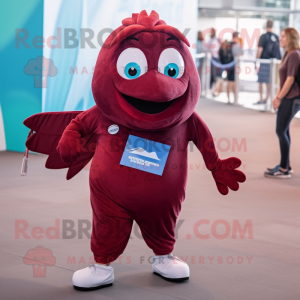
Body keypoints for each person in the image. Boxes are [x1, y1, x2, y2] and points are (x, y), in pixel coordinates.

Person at [264, 27, 300, 179]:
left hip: (292, 98)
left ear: (291, 38)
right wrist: (277, 97)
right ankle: (286, 165)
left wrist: (279, 98)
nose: (280, 39)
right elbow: (283, 79)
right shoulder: (288, 54)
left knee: (280, 130)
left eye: (283, 36)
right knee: (283, 131)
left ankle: (284, 168)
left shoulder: (294, 54)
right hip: (286, 97)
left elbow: (291, 80)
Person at [255, 20, 281, 105]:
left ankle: (261, 99)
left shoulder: (263, 36)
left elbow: (259, 49)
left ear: (266, 26)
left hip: (264, 62)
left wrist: (256, 61)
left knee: (261, 81)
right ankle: (267, 99)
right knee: (269, 82)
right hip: (275, 63)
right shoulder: (276, 37)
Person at [219, 32, 243, 103]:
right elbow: (240, 54)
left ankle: (229, 98)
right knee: (234, 82)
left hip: (227, 65)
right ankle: (235, 99)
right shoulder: (237, 45)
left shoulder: (227, 44)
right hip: (234, 65)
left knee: (229, 81)